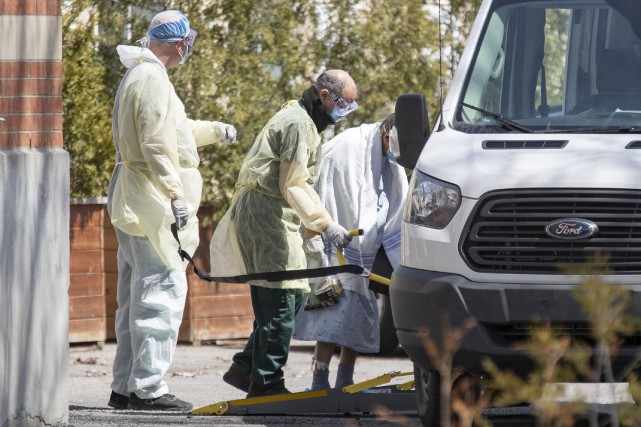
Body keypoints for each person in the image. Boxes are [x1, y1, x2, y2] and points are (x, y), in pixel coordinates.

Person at [106, 10, 237, 411]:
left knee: (134, 296)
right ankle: (148, 388)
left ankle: (125, 386)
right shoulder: (151, 79)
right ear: (180, 44)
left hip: (136, 198)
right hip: (150, 200)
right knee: (161, 290)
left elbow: (173, 131)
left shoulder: (143, 76)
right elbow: (156, 143)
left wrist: (214, 130)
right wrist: (175, 193)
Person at [209, 70, 358, 397]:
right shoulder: (296, 124)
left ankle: (246, 367)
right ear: (324, 96)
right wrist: (325, 223)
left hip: (277, 213)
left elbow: (298, 182)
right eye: (343, 103)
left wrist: (313, 233)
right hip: (266, 214)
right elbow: (291, 183)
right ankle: (267, 383)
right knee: (281, 298)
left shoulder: (304, 121)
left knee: (292, 296)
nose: (345, 111)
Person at [293, 113, 408, 390]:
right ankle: (320, 378)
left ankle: (345, 378)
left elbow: (391, 196)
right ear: (386, 137)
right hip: (338, 244)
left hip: (366, 247)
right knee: (332, 316)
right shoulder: (348, 146)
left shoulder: (386, 159)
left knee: (356, 316)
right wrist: (328, 227)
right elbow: (330, 187)